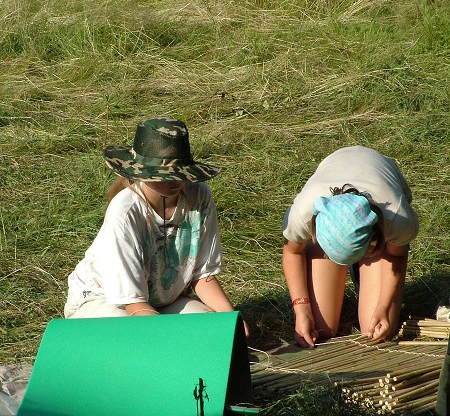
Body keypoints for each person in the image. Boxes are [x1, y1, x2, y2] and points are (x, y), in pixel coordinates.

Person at [64, 116, 249, 336]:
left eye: (180, 174)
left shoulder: (199, 196)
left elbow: (202, 274)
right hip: (105, 301)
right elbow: (133, 303)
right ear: (140, 171)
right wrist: (164, 337)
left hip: (162, 301)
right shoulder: (125, 211)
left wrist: (229, 320)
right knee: (142, 341)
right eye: (164, 176)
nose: (175, 182)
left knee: (213, 331)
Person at [282, 145, 419, 348]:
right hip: (336, 163)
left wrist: (384, 306)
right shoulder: (303, 211)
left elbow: (397, 258)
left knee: (375, 333)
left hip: (377, 175)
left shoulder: (397, 217)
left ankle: (366, 263)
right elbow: (292, 252)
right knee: (321, 329)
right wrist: (302, 309)